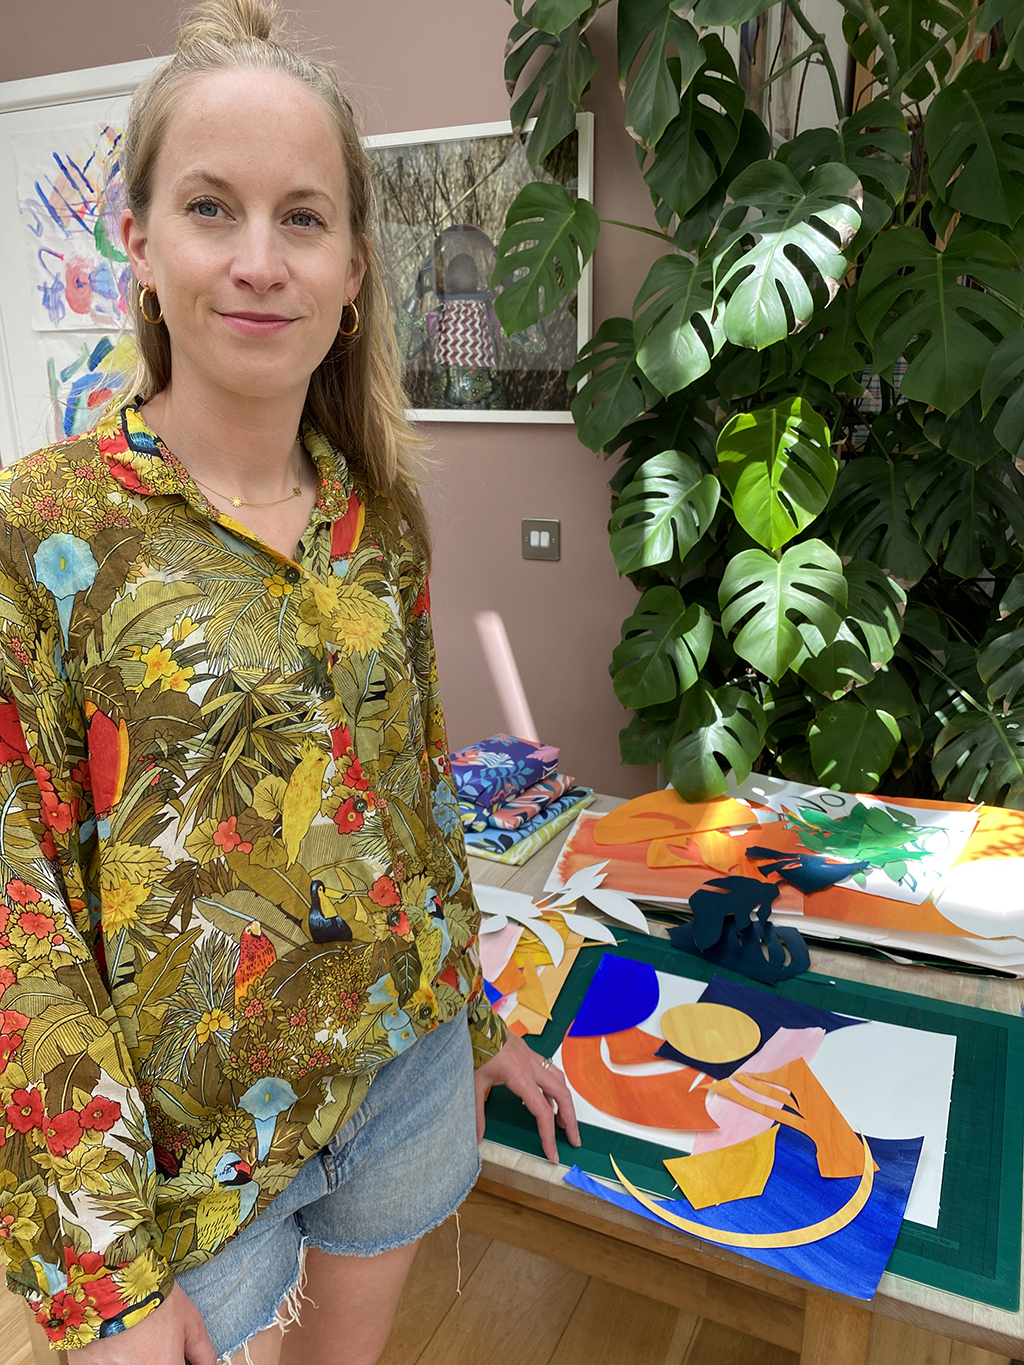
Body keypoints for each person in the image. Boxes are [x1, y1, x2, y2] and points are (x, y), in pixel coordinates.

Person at [0, 3, 579, 1363]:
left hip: (402, 1077)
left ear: (357, 268)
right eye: (212, 207)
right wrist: (107, 1279)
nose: (259, 261)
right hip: (188, 1166)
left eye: (302, 218)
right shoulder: (48, 531)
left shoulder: (379, 516)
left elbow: (414, 792)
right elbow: (15, 913)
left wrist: (476, 1014)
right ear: (137, 241)